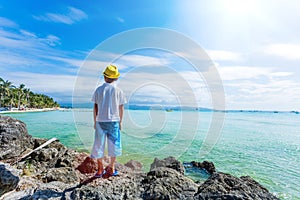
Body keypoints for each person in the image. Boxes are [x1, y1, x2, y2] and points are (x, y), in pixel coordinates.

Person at [90, 64, 126, 178]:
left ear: (105, 77)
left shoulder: (98, 90)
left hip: (100, 121)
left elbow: (95, 107)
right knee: (114, 145)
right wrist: (120, 122)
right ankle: (111, 167)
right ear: (116, 78)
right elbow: (121, 108)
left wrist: (94, 121)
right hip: (114, 120)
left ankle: (100, 169)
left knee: (98, 145)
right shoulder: (118, 91)